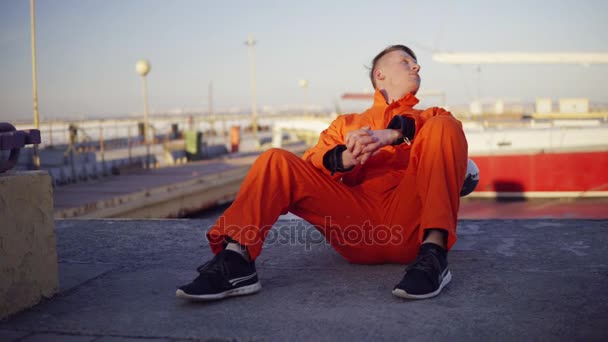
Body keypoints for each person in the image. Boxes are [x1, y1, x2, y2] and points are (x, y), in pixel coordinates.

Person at [176, 44, 468, 301]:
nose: (416, 66)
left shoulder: (431, 116)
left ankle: (434, 256)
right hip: (357, 228)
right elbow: (311, 164)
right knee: (275, 160)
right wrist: (344, 158)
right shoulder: (345, 124)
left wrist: (393, 134)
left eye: (416, 63)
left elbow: (447, 138)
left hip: (411, 226)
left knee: (445, 127)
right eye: (406, 61)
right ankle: (236, 260)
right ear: (380, 74)